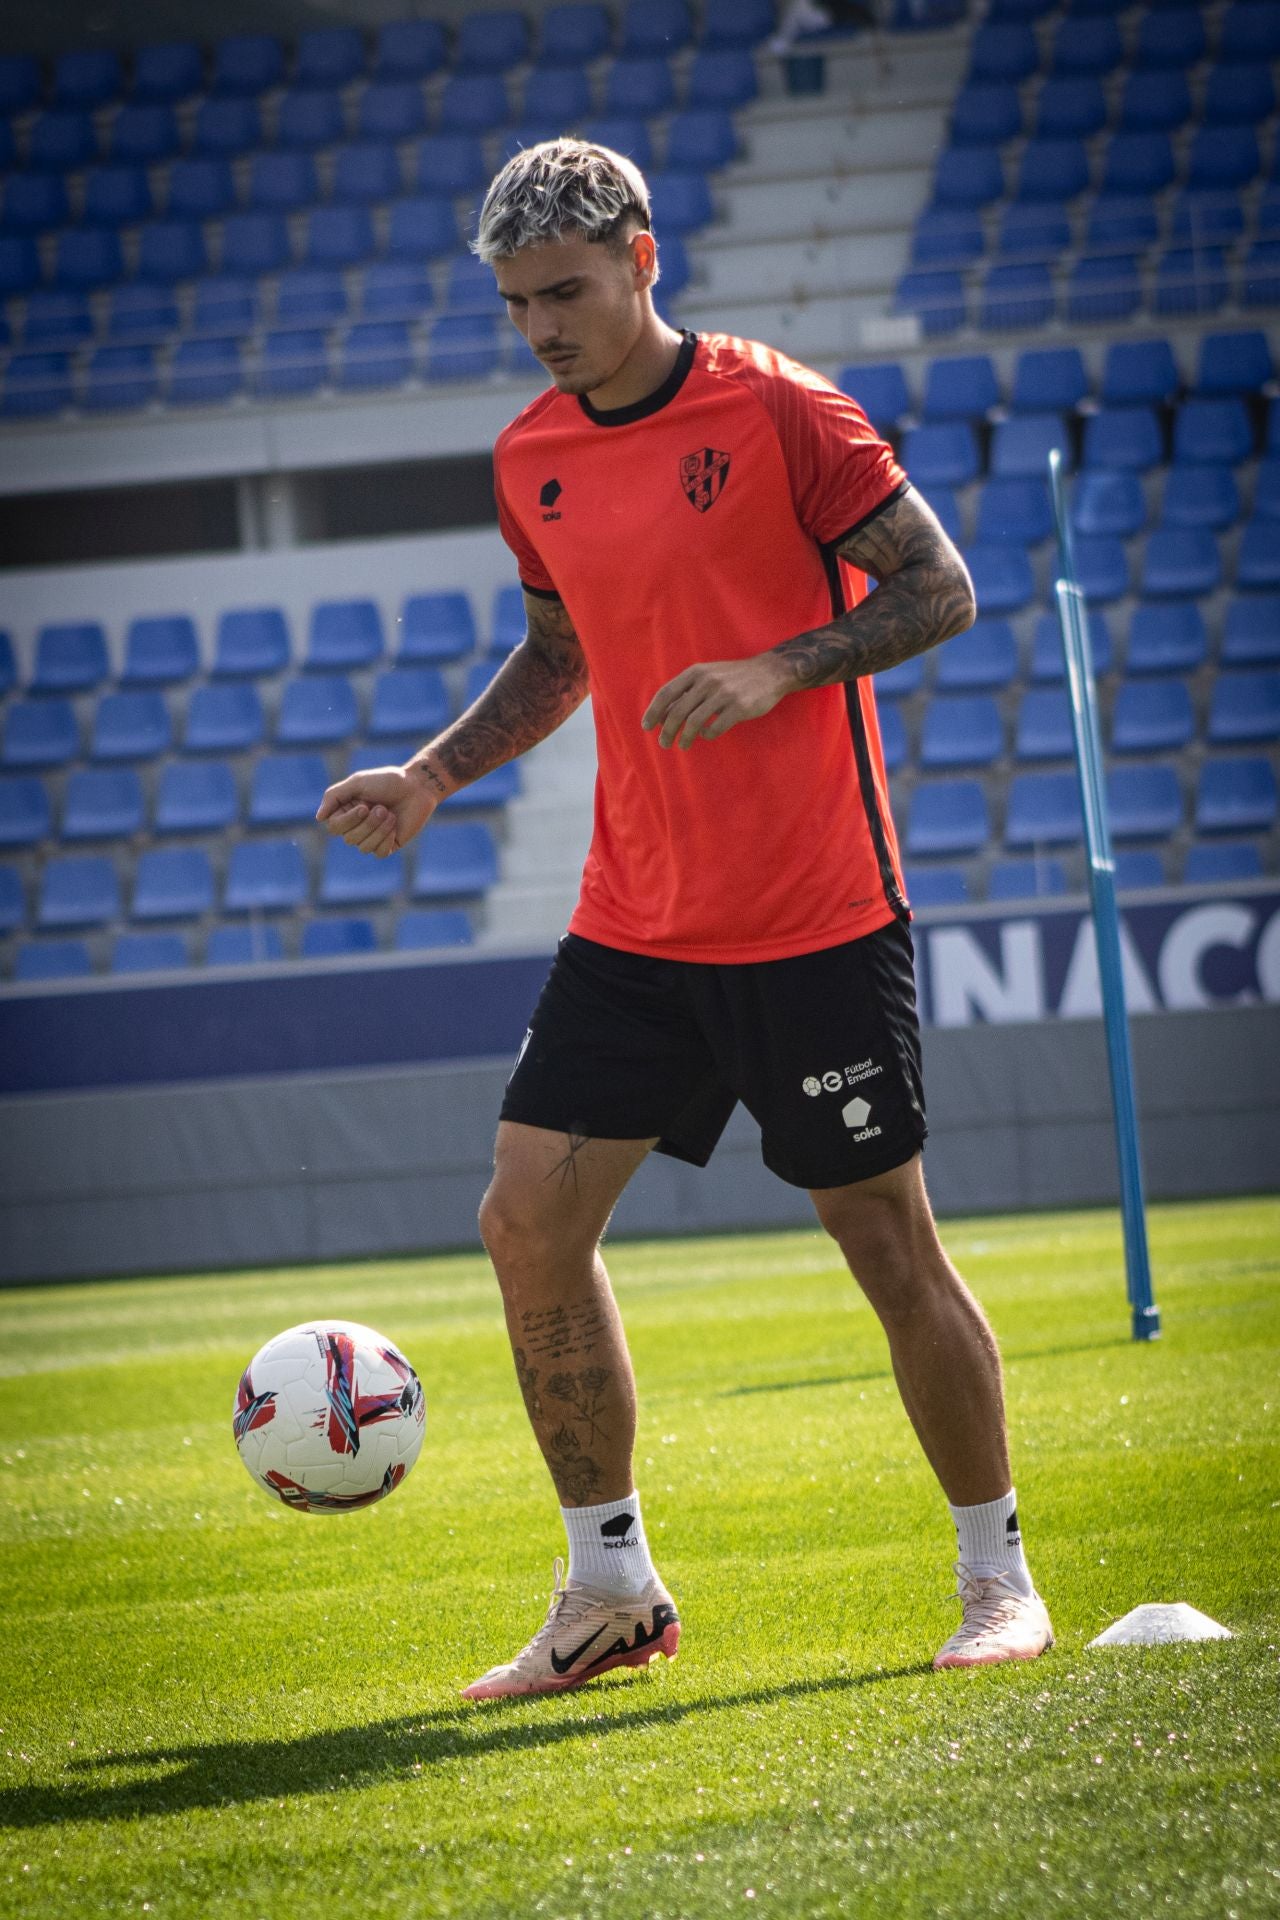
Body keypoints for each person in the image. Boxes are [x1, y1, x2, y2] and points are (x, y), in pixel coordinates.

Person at [317, 139, 1053, 1698]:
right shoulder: (531, 458)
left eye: (567, 293)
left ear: (643, 258)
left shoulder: (784, 406)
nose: (544, 328)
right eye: (518, 304)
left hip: (816, 915)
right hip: (635, 927)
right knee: (524, 1222)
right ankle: (611, 1589)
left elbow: (942, 590)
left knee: (883, 1243)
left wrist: (783, 665)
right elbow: (558, 652)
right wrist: (437, 773)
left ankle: (999, 1574)